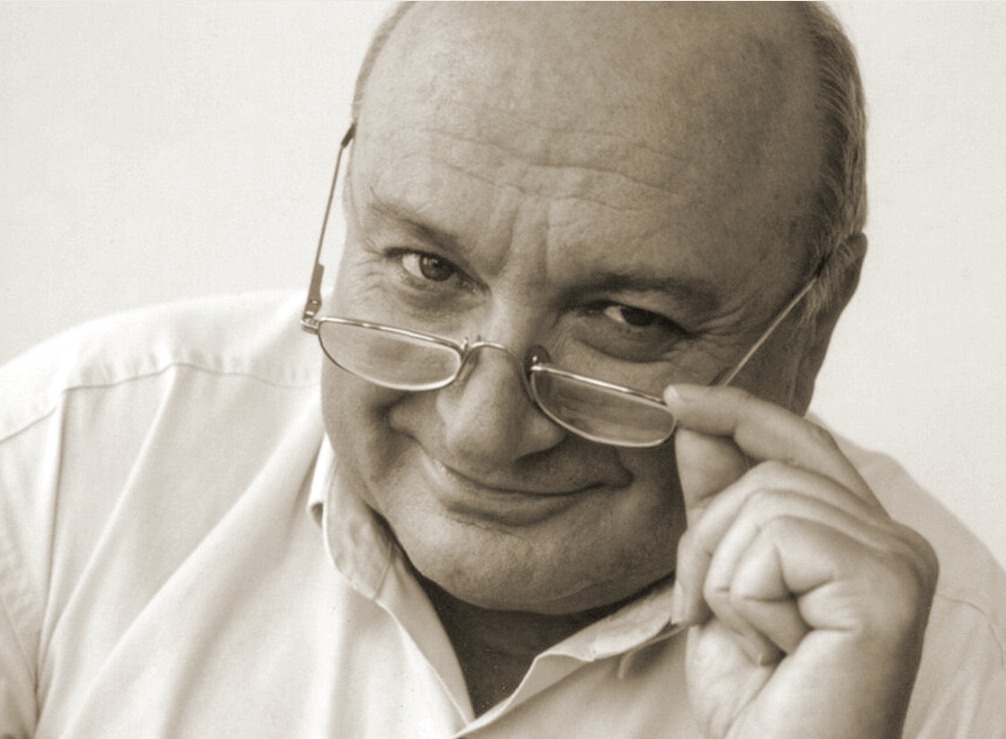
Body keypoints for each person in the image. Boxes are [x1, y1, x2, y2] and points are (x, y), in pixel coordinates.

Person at [0, 3, 1003, 737]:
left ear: (816, 317)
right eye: (426, 270)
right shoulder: (62, 465)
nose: (483, 429)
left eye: (627, 319)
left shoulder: (952, 667)